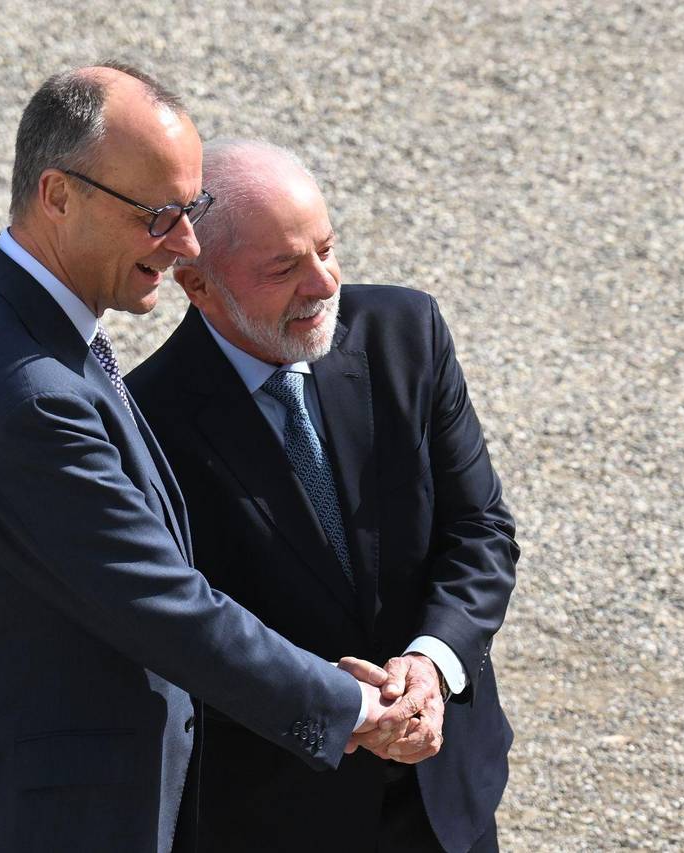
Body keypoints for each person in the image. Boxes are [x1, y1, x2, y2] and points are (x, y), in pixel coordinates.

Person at [0, 65, 426, 853]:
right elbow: (164, 605)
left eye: (190, 211)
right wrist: (353, 706)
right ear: (58, 195)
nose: (187, 244)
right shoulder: (30, 394)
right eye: (159, 216)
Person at [126, 139, 520, 853]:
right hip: (273, 815)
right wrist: (339, 706)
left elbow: (480, 529)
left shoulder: (408, 335)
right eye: (283, 268)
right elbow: (178, 632)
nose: (322, 282)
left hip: (441, 795)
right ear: (198, 284)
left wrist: (431, 663)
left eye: (327, 248)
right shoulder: (145, 423)